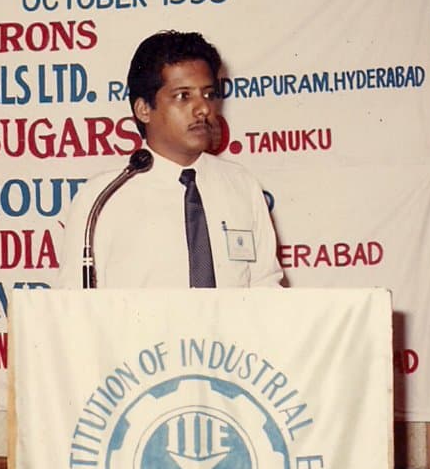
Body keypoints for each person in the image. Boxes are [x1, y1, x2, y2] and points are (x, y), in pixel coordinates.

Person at [57, 30, 283, 289]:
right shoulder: (102, 197)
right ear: (143, 110)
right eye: (183, 96)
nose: (203, 108)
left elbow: (266, 288)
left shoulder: (241, 185)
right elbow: (74, 301)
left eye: (208, 94)